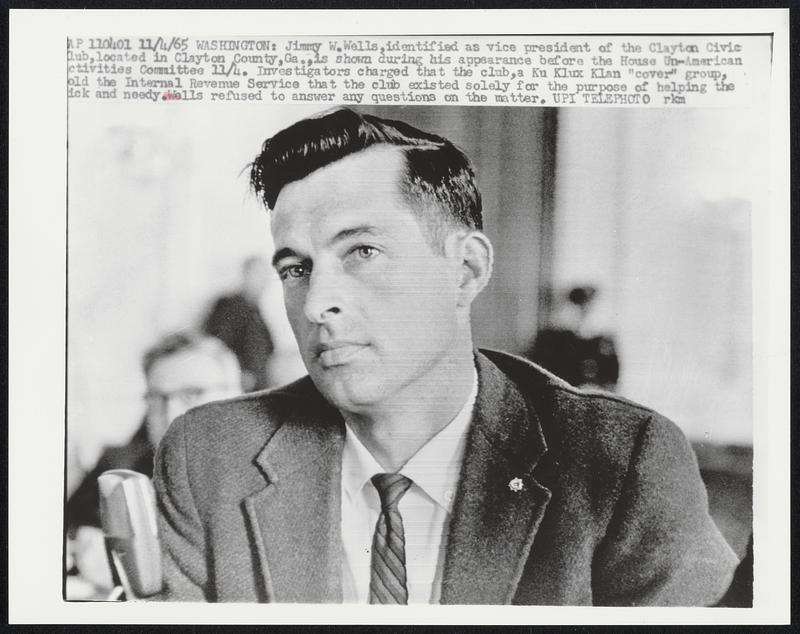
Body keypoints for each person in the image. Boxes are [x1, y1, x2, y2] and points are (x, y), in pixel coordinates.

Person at [153, 108, 738, 605]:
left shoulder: (617, 464)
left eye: (362, 251)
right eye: (296, 269)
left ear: (466, 270)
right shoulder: (211, 458)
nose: (316, 304)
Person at [66, 331, 242, 599]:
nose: (170, 414)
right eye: (157, 399)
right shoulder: (123, 467)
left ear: (237, 395)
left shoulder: (269, 478)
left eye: (191, 394)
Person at [525, 285, 620, 391]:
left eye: (588, 307)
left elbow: (611, 379)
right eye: (580, 306)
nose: (584, 312)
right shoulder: (552, 339)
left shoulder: (603, 341)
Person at [204, 256, 275, 391]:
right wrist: (238, 373)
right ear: (245, 275)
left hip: (259, 384)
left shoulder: (256, 310)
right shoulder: (230, 306)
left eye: (265, 275)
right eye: (257, 274)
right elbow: (216, 344)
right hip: (236, 384)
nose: (262, 281)